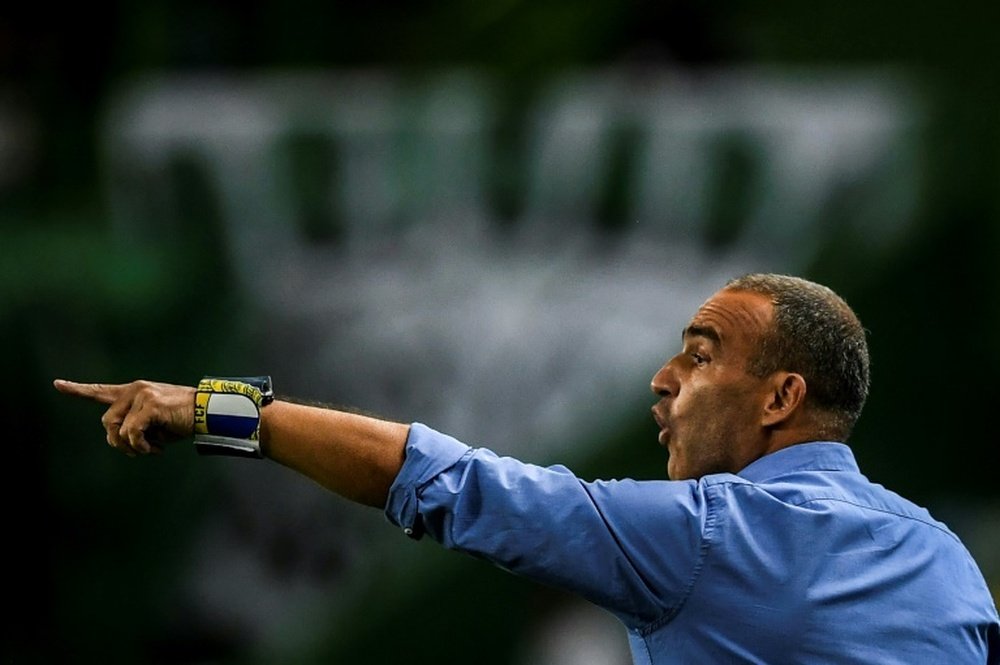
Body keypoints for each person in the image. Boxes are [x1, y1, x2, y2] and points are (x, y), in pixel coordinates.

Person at [54, 272, 999, 664]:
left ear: (780, 397)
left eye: (701, 354)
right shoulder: (947, 559)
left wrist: (221, 409)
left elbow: (442, 482)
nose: (663, 379)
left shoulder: (705, 535)